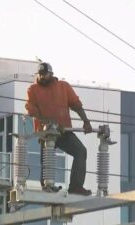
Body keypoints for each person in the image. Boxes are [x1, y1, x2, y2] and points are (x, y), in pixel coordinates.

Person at [25, 62, 93, 196]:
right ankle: (47, 185)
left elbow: (76, 104)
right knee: (47, 157)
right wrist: (48, 123)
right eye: (40, 75)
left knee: (81, 151)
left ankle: (75, 186)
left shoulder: (63, 87)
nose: (42, 77)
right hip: (46, 133)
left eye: (45, 74)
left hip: (64, 131)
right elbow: (31, 109)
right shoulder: (33, 89)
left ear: (51, 74)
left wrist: (86, 121)